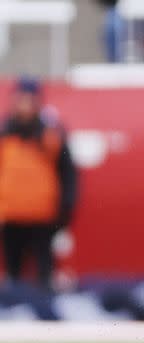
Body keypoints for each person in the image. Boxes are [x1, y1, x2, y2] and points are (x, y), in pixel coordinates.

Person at [0, 77, 77, 291]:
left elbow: (68, 174)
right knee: (13, 276)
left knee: (44, 277)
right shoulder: (4, 134)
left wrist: (65, 210)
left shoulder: (51, 135)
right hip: (11, 217)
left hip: (43, 218)